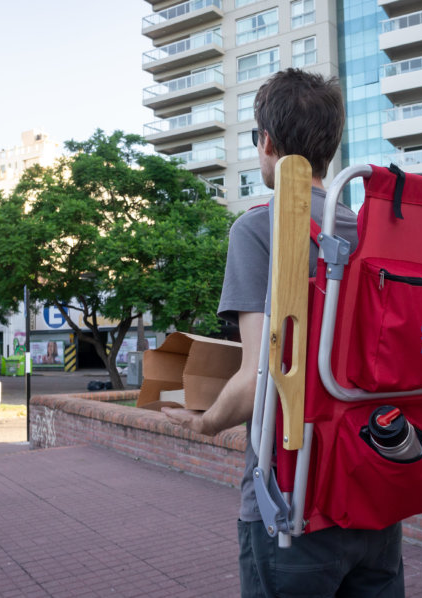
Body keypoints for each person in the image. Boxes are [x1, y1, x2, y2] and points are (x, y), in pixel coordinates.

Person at [163, 69, 403, 597]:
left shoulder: (258, 228)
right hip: (373, 488)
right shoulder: (370, 233)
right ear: (330, 147)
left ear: (267, 142)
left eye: (255, 139)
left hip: (294, 503)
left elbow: (258, 379)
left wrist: (203, 424)